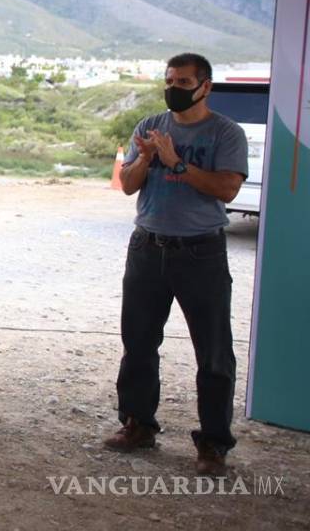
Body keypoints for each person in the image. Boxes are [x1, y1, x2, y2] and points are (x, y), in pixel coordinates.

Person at [104, 53, 247, 477]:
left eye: (183, 81)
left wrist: (178, 163)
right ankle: (138, 424)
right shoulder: (148, 126)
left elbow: (227, 189)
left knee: (214, 352)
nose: (174, 88)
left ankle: (214, 444)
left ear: (205, 87)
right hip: (147, 247)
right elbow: (127, 185)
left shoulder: (226, 132)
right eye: (169, 79)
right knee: (139, 343)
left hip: (201, 252)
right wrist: (147, 157)